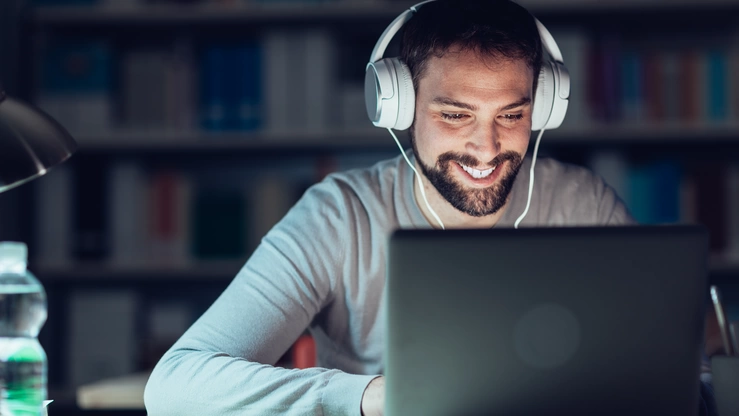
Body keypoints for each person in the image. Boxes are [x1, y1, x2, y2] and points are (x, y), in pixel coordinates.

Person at [144, 1, 717, 415]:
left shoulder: (583, 202)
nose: (487, 149)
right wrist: (371, 397)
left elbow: (677, 381)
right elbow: (174, 385)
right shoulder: (340, 215)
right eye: (454, 115)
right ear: (398, 108)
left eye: (512, 115)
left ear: (542, 109)